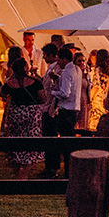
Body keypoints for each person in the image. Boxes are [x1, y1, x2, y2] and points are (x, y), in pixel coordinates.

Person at [0, 57, 46, 179]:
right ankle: (23, 176)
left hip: (16, 113)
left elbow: (2, 92)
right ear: (26, 68)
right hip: (31, 114)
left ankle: (17, 176)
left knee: (15, 142)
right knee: (30, 144)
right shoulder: (35, 82)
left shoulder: (10, 83)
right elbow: (43, 98)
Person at [42, 46, 81, 177]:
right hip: (75, 108)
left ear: (65, 59)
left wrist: (51, 92)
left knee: (65, 141)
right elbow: (71, 85)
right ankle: (69, 169)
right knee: (68, 139)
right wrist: (57, 78)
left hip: (66, 110)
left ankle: (69, 171)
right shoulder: (78, 70)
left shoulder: (66, 72)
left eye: (59, 60)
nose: (58, 62)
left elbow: (65, 92)